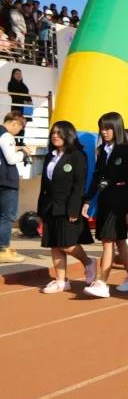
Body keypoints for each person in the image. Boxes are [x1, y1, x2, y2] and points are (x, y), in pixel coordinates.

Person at [82, 112, 128, 298]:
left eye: (108, 128)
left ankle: (102, 282)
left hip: (120, 203)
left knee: (108, 240)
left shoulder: (126, 150)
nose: (104, 132)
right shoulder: (101, 150)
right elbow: (97, 176)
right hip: (105, 201)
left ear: (117, 128)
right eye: (102, 128)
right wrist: (88, 199)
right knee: (120, 240)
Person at [38, 121, 97, 293]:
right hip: (50, 206)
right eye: (53, 133)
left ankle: (88, 262)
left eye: (59, 133)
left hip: (68, 206)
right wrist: (41, 209)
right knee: (54, 244)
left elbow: (79, 185)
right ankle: (61, 281)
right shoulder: (49, 156)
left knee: (66, 244)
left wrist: (74, 208)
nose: (55, 136)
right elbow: (44, 185)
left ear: (68, 135)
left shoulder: (77, 155)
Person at [0, 112, 31, 263]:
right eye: (20, 128)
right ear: (14, 123)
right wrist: (23, 153)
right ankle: (3, 249)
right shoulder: (6, 136)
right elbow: (11, 159)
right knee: (7, 216)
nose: (19, 131)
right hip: (6, 182)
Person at [7, 68, 32, 145]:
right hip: (17, 107)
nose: (19, 75)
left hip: (25, 107)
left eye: (20, 74)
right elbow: (13, 95)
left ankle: (21, 141)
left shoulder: (23, 85)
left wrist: (30, 103)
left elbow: (27, 95)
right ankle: (16, 141)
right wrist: (24, 100)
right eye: (17, 74)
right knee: (16, 124)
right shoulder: (11, 84)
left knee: (23, 125)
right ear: (13, 75)